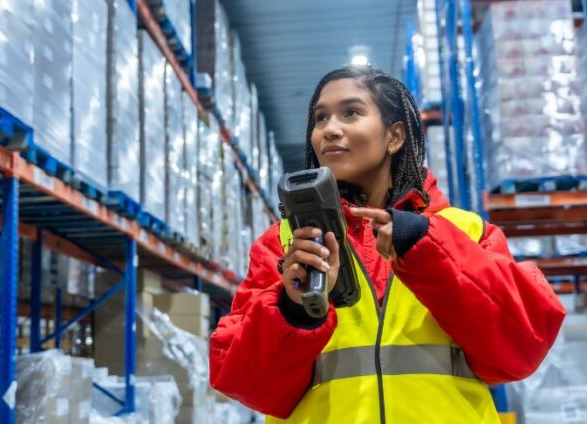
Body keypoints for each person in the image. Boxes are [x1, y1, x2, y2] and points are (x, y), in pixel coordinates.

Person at [209, 65, 566, 423]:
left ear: (394, 136)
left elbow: (523, 347)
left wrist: (428, 248)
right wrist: (293, 310)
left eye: (351, 112)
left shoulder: (464, 230)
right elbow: (244, 382)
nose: (329, 130)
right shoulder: (284, 244)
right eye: (320, 118)